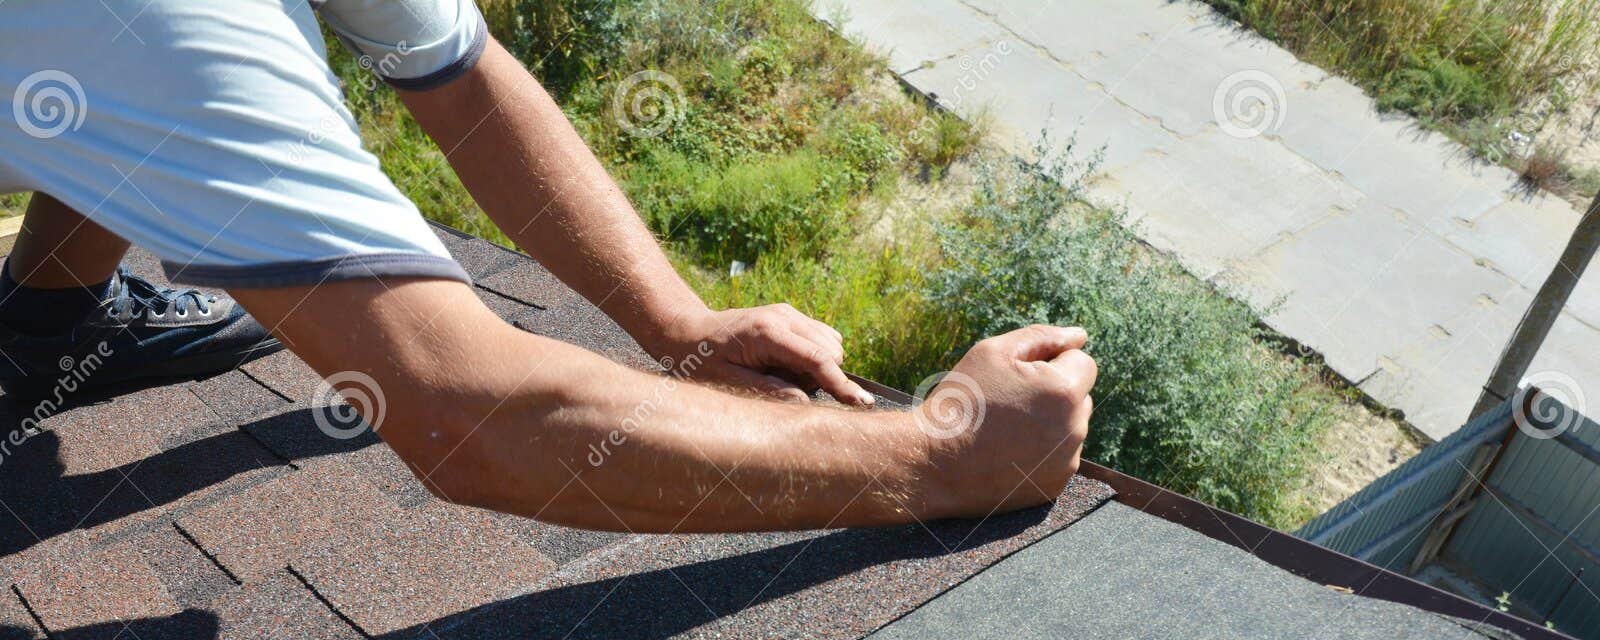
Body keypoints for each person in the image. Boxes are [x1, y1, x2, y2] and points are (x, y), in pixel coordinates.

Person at [0, 0, 1094, 532]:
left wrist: (678, 322)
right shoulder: (162, 23)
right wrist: (942, 457)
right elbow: (471, 419)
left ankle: (46, 321)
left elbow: (461, 85)